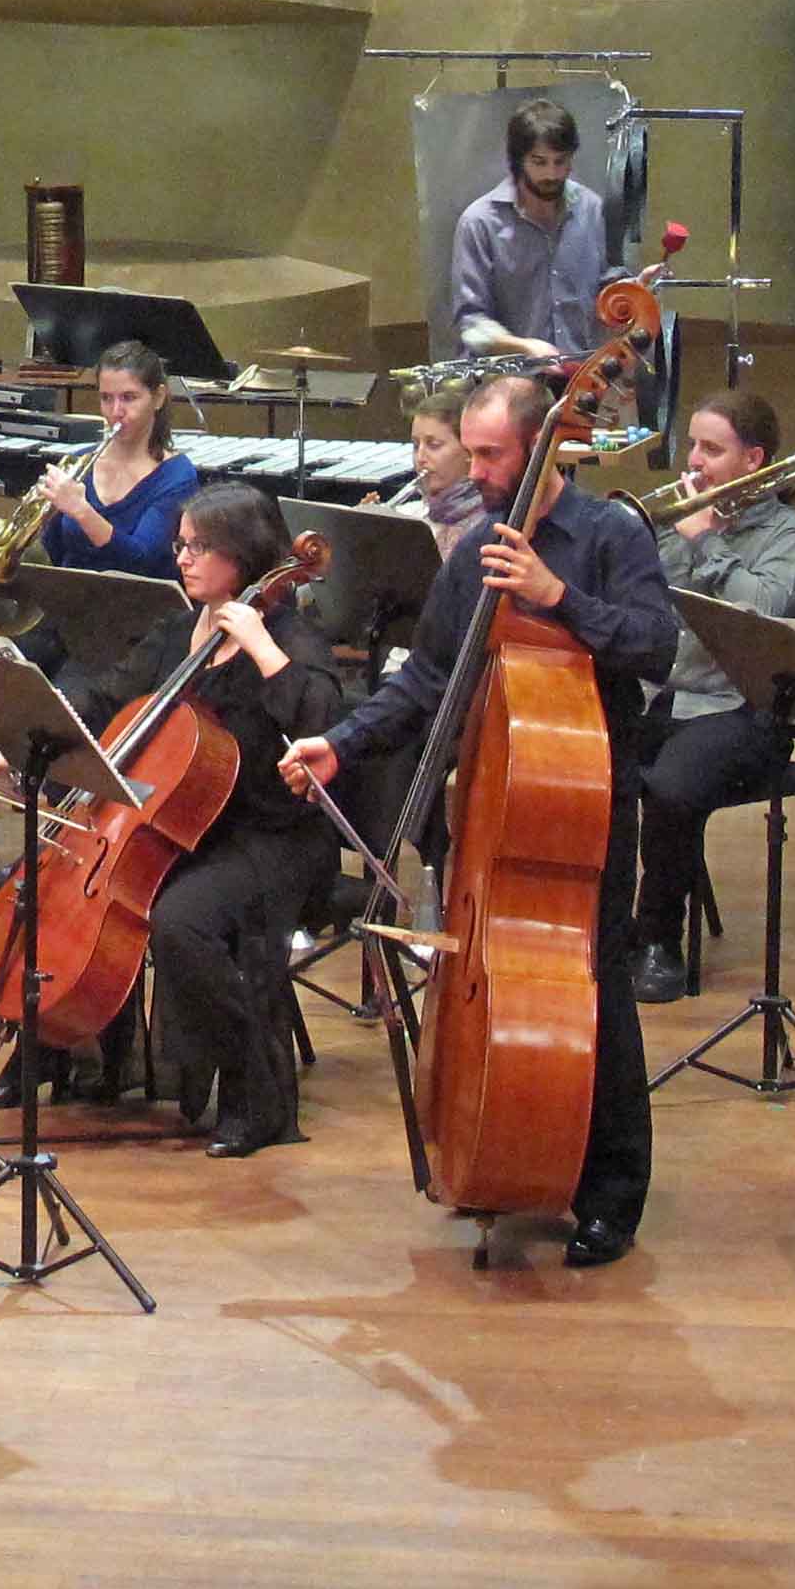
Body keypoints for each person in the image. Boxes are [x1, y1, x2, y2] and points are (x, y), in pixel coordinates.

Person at [280, 374, 674, 1269]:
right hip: (498, 797)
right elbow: (428, 678)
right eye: (472, 451)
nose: (475, 471)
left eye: (492, 455)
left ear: (544, 449)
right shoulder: (473, 555)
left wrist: (557, 595)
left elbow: (657, 647)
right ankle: (509, 1144)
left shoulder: (609, 536)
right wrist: (342, 743)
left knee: (597, 984)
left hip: (589, 793)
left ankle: (612, 1192)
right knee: (496, 974)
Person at [0, 482, 347, 1155]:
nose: (184, 558)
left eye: (201, 546)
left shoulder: (291, 635)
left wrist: (262, 649)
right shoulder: (179, 630)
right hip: (178, 827)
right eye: (181, 544)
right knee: (46, 890)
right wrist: (19, 739)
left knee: (182, 923)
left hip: (270, 834)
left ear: (246, 554)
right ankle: (49, 1052)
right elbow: (105, 693)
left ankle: (254, 1093)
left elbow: (322, 724)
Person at [626, 389, 795, 1004]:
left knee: (670, 788)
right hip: (662, 694)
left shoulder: (790, 535)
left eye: (711, 449)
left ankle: (658, 939)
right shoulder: (677, 520)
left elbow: (762, 609)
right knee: (582, 764)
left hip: (743, 710)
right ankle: (603, 925)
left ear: (753, 459)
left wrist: (704, 542)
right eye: (692, 445)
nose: (693, 460)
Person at [21, 340, 203, 579]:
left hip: (142, 599)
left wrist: (81, 511)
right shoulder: (78, 464)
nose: (116, 411)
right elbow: (53, 551)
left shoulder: (176, 477)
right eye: (106, 398)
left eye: (129, 397)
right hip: (71, 595)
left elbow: (142, 561)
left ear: (158, 397)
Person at [449, 98, 614, 362]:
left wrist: (636, 291)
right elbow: (470, 323)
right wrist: (523, 347)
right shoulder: (480, 222)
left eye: (560, 161)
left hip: (582, 373)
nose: (552, 174)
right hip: (511, 375)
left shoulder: (592, 209)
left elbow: (609, 289)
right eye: (539, 162)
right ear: (518, 161)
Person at [388, 388, 489, 552]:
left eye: (434, 445)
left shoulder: (490, 524)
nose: (420, 457)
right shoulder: (410, 515)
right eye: (415, 445)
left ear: (469, 450)